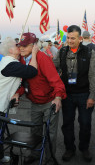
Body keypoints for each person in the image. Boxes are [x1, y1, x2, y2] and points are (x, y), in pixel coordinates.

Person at [0, 37, 39, 165]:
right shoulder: (11, 64)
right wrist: (34, 53)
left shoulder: (9, 62)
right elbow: (32, 71)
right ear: (11, 50)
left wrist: (17, 93)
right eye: (16, 45)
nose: (20, 47)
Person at [18, 32, 66, 164]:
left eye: (25, 45)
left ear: (34, 46)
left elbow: (56, 80)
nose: (21, 48)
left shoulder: (43, 58)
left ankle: (49, 159)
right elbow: (24, 81)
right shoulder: (22, 59)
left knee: (50, 132)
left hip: (48, 101)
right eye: (20, 45)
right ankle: (34, 154)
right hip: (34, 101)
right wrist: (18, 93)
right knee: (35, 130)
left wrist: (57, 97)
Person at [54, 25, 95, 162]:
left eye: (73, 38)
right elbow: (52, 66)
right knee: (67, 123)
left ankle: (84, 148)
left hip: (84, 94)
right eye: (68, 38)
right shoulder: (62, 51)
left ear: (80, 38)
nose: (70, 41)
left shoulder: (89, 52)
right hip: (67, 95)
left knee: (85, 123)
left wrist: (92, 96)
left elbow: (94, 75)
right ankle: (69, 149)